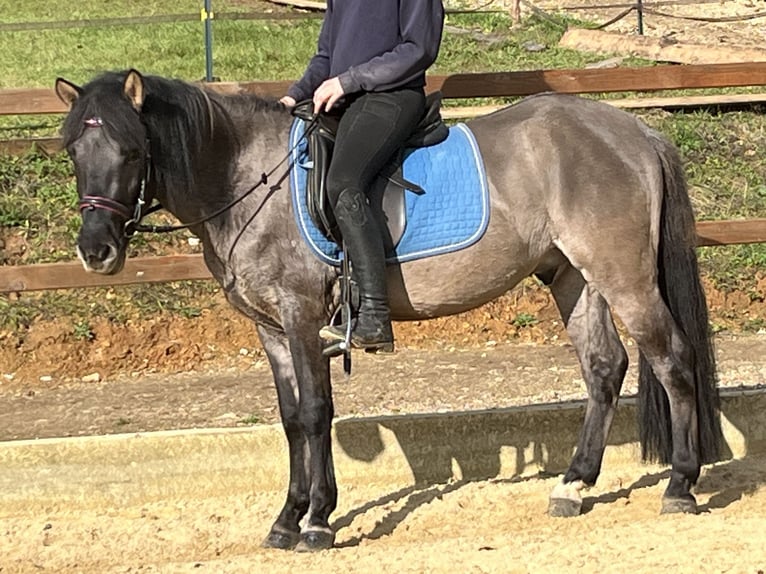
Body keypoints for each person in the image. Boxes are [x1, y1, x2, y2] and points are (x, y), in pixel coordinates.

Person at [280, 0, 445, 353]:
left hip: (393, 96)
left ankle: (374, 315)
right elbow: (326, 56)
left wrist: (349, 80)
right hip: (348, 100)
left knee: (344, 181)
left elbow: (420, 49)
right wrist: (293, 96)